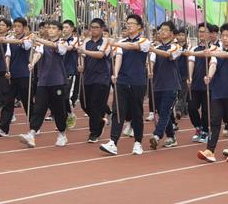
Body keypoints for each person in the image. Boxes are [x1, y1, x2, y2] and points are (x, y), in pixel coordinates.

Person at [99, 15, 151, 156]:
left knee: (137, 113)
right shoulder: (122, 41)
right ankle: (113, 142)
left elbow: (132, 46)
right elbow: (119, 57)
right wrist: (115, 74)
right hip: (122, 81)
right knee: (118, 112)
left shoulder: (144, 41)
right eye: (127, 23)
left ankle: (138, 142)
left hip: (137, 82)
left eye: (132, 24)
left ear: (139, 26)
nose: (129, 26)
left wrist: (114, 43)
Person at [197, 22, 228, 163]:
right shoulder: (216, 49)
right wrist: (209, 76)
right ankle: (210, 150)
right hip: (217, 91)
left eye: (227, 35)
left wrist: (213, 52)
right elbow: (213, 63)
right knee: (215, 121)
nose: (224, 38)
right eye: (222, 35)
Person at [20, 20, 70, 148]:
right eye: (49, 28)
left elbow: (54, 47)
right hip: (43, 81)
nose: (50, 30)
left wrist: (38, 39)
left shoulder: (62, 43)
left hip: (58, 82)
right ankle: (31, 134)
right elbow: (38, 53)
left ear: (59, 31)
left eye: (54, 28)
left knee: (58, 109)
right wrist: (32, 63)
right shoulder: (43, 44)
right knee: (39, 108)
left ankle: (62, 133)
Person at [147, 21, 183, 149]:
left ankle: (157, 135)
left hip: (171, 84)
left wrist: (153, 49)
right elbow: (151, 62)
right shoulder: (156, 47)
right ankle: (171, 137)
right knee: (161, 112)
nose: (162, 32)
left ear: (172, 34)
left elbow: (169, 55)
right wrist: (149, 70)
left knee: (164, 111)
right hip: (157, 84)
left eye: (165, 30)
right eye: (161, 29)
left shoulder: (176, 47)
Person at [0, 17, 33, 137]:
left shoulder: (29, 38)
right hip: (12, 74)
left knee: (27, 101)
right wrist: (7, 69)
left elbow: (24, 45)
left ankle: (34, 126)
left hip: (24, 75)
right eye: (15, 26)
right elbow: (8, 56)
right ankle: (3, 128)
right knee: (8, 101)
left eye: (19, 26)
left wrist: (5, 40)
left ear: (24, 28)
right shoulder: (10, 39)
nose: (16, 29)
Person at [78, 18, 112, 142]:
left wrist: (85, 51)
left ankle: (94, 133)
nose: (93, 29)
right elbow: (81, 55)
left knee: (95, 105)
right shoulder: (86, 41)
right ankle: (100, 120)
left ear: (102, 29)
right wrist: (80, 64)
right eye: (92, 27)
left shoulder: (106, 41)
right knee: (84, 103)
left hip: (101, 77)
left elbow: (101, 54)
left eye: (96, 27)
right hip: (87, 77)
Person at [185, 23, 213, 143]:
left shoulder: (214, 48)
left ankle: (206, 131)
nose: (201, 34)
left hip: (209, 84)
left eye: (204, 31)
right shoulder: (193, 48)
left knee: (207, 110)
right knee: (191, 107)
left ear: (210, 34)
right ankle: (198, 127)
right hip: (195, 83)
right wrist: (190, 77)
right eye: (200, 31)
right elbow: (191, 62)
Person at [61, 20, 80, 129]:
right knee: (59, 97)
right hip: (59, 71)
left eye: (67, 27)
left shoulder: (76, 40)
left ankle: (70, 114)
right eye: (63, 27)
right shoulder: (60, 40)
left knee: (66, 96)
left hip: (70, 71)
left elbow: (68, 48)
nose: (64, 29)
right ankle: (64, 118)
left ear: (72, 29)